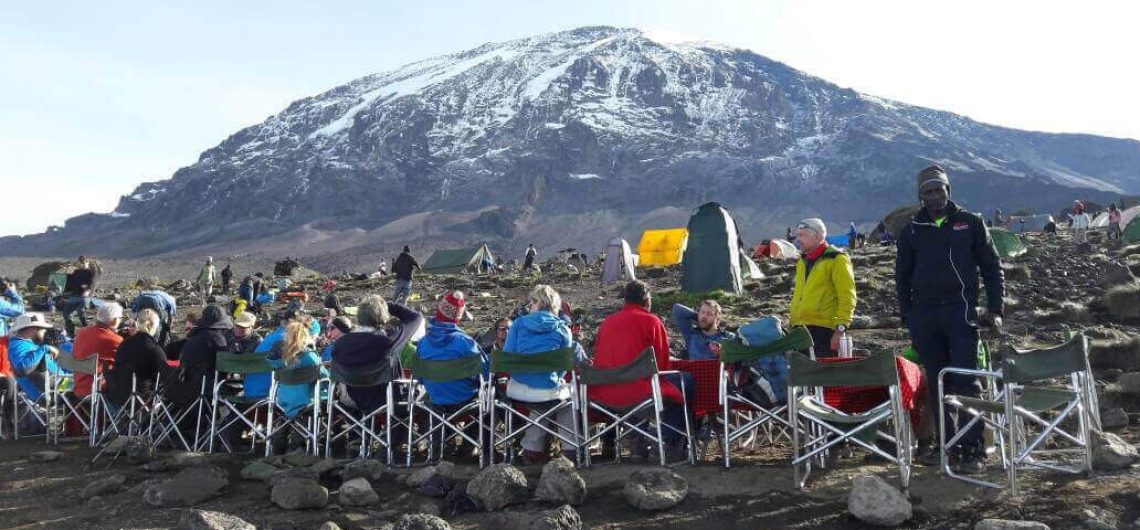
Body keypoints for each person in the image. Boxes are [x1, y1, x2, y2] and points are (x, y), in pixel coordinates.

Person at [896, 165, 1004, 474]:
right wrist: (908, 315)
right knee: (938, 383)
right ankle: (949, 446)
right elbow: (901, 276)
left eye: (939, 189)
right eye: (928, 192)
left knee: (966, 381)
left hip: (962, 311)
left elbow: (991, 267)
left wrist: (995, 309)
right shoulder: (912, 229)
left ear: (948, 190)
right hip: (926, 316)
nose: (934, 196)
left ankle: (973, 450)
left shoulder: (970, 224)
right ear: (920, 196)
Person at [591, 280, 693, 462]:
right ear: (646, 299)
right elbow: (661, 365)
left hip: (604, 395)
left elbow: (599, 358)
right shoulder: (652, 321)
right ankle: (668, 444)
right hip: (638, 393)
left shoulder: (607, 322)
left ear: (625, 300)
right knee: (685, 382)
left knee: (637, 384)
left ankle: (636, 441)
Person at [502, 285, 580, 464]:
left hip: (519, 390)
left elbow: (507, 357)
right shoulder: (563, 328)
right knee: (565, 399)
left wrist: (524, 373)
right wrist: (550, 377)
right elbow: (563, 366)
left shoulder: (519, 324)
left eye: (531, 302)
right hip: (548, 388)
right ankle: (571, 450)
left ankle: (532, 450)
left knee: (541, 402)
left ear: (536, 303)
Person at [416, 291, 488, 456]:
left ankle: (437, 446)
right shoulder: (466, 343)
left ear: (440, 311)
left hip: (436, 401)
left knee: (434, 394)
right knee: (488, 399)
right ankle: (469, 446)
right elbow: (484, 373)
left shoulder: (423, 344)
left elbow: (420, 376)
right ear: (458, 317)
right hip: (464, 402)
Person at [330, 294, 423, 413]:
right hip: (386, 399)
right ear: (383, 316)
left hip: (350, 400)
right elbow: (416, 318)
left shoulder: (340, 344)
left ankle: (360, 430)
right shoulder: (388, 340)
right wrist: (388, 305)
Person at [789, 218, 857, 357]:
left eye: (802, 235)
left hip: (824, 330)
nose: (798, 239)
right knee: (804, 375)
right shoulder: (803, 261)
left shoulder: (837, 259)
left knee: (823, 376)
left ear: (816, 236)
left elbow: (847, 296)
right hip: (801, 330)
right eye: (798, 235)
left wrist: (840, 329)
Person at [266, 320, 328, 453]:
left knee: (286, 418)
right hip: (305, 402)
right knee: (314, 407)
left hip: (283, 401)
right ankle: (297, 447)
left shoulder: (279, 360)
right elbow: (324, 377)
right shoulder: (309, 357)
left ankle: (277, 447)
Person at [163, 305, 233, 409]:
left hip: (184, 393)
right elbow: (225, 368)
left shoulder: (193, 338)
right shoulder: (217, 339)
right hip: (205, 394)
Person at [104, 308, 173, 409]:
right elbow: (166, 376)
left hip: (118, 396)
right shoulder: (154, 349)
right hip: (141, 399)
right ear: (155, 326)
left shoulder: (124, 343)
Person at [72, 302, 124, 398]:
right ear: (114, 321)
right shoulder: (115, 340)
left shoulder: (81, 333)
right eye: (120, 319)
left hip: (78, 387)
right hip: (98, 390)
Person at [8, 313, 61, 402]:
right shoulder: (17, 345)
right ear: (32, 329)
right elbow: (23, 368)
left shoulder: (28, 345)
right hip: (51, 392)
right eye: (42, 329)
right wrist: (45, 349)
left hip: (57, 386)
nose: (44, 332)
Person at [62, 256, 97, 336]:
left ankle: (87, 330)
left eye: (84, 262)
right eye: (80, 262)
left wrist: (88, 290)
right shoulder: (76, 272)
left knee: (80, 311)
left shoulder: (90, 272)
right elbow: (70, 282)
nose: (82, 264)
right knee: (66, 313)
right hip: (74, 295)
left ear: (87, 262)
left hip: (84, 296)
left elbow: (92, 283)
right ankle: (70, 333)